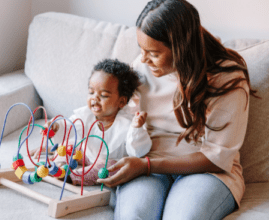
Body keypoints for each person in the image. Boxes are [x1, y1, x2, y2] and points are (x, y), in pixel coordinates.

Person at [97, 0, 258, 219]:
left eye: (153, 53)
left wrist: (147, 166)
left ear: (182, 48)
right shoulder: (143, 68)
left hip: (207, 172)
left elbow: (215, 158)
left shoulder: (227, 78)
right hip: (148, 162)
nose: (143, 59)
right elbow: (113, 113)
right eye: (141, 50)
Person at [32, 58, 152, 185]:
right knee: (70, 145)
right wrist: (56, 126)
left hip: (106, 161)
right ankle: (58, 163)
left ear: (121, 102)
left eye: (104, 95)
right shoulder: (86, 115)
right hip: (85, 155)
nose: (95, 98)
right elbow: (69, 126)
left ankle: (74, 177)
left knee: (109, 167)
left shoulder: (126, 123)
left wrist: (137, 129)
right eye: (91, 92)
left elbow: (138, 151)